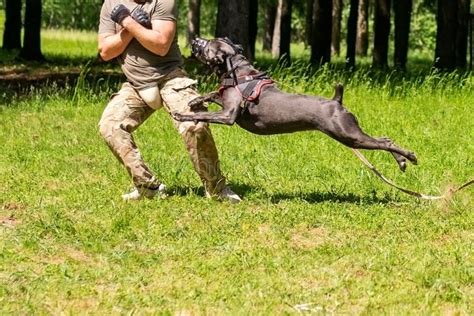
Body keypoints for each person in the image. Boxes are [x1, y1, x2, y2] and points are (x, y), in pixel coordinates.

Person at [97, 0, 241, 203]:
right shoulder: (111, 4)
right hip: (136, 84)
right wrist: (129, 25)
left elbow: (161, 45)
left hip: (171, 78)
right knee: (110, 125)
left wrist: (127, 22)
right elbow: (105, 51)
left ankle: (216, 188)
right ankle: (149, 187)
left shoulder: (163, 1)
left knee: (194, 124)